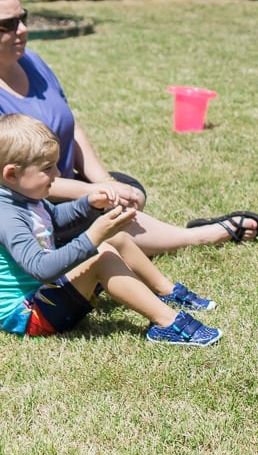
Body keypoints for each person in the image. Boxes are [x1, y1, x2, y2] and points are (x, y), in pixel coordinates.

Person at [0, 0, 258, 256]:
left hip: (63, 182)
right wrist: (91, 193)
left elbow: (71, 125)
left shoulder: (33, 62)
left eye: (23, 18)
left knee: (129, 189)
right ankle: (198, 236)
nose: (23, 30)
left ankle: (137, 227)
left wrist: (106, 182)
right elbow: (18, 179)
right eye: (8, 24)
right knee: (103, 207)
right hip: (29, 204)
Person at [0, 113, 222, 345]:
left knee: (114, 238)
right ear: (12, 174)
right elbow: (40, 269)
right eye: (47, 168)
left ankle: (167, 292)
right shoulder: (6, 216)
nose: (56, 174)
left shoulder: (26, 196)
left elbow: (54, 218)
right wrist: (93, 236)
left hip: (45, 294)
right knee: (102, 257)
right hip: (29, 314)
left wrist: (89, 204)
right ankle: (167, 323)